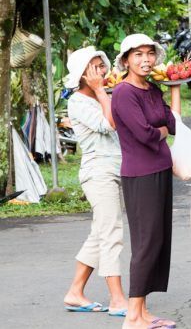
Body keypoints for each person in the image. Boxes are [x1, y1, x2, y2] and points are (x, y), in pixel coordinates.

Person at [111, 34, 180, 329]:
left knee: (159, 241)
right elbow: (146, 134)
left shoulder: (152, 88)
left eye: (149, 54)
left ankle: (143, 311)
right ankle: (132, 316)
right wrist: (161, 130)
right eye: (138, 55)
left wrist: (175, 87)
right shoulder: (123, 92)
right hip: (140, 174)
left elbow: (173, 123)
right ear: (126, 60)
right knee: (146, 243)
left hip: (161, 169)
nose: (145, 60)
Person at [62, 47, 128, 317]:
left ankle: (75, 293)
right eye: (96, 67)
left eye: (102, 65)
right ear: (83, 75)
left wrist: (104, 92)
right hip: (98, 172)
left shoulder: (104, 96)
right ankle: (117, 299)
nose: (103, 70)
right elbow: (110, 124)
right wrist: (101, 91)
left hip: (113, 168)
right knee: (111, 231)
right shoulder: (78, 101)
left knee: (99, 233)